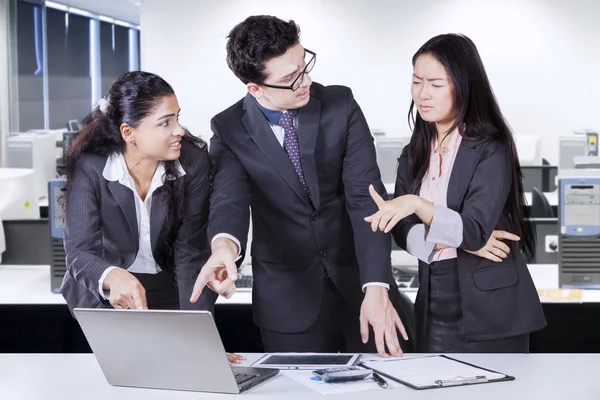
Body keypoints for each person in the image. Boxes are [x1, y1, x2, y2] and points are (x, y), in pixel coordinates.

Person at [191, 15, 414, 356]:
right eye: (290, 78)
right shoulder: (229, 127)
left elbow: (365, 199)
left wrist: (377, 286)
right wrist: (224, 249)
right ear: (255, 88)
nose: (305, 81)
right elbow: (229, 200)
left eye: (304, 66)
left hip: (362, 284)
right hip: (289, 300)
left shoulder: (341, 106)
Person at [365, 33, 546, 352]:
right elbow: (402, 232)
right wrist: (452, 240)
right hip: (434, 301)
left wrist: (417, 205)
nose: (423, 94)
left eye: (436, 84)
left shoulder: (491, 148)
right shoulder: (413, 153)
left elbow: (474, 230)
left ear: (463, 86)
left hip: (493, 309)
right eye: (416, 81)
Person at [60, 71, 244, 363]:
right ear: (128, 132)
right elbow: (80, 252)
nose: (179, 130)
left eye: (177, 118)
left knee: (185, 367)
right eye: (165, 123)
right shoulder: (91, 167)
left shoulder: (192, 161)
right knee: (123, 372)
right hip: (103, 293)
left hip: (169, 286)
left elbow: (190, 252)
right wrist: (110, 276)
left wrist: (200, 341)